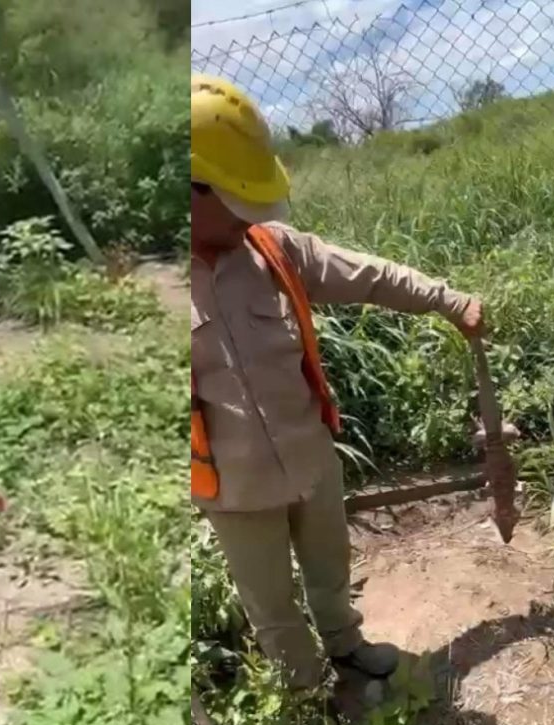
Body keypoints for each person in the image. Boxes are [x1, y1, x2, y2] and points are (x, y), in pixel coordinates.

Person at [190, 75, 485, 693]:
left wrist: (447, 300)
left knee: (329, 567)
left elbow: (369, 275)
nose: (250, 213)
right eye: (234, 196)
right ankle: (305, 694)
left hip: (309, 455)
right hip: (233, 487)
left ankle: (347, 647)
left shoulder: (274, 250)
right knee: (269, 603)